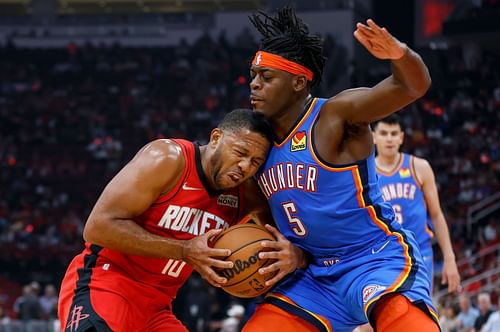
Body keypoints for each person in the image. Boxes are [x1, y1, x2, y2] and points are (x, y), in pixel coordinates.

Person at [244, 6, 439, 332]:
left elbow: (413, 87)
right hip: (312, 277)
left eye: (266, 77)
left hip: (373, 258)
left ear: (298, 82)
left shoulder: (335, 117)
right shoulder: (253, 143)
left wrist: (400, 55)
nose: (254, 85)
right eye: (253, 75)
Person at [58, 109, 306, 331]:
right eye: (240, 152)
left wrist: (292, 255)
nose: (244, 166)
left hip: (158, 307)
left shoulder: (247, 193)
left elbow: (284, 239)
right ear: (217, 138)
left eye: (255, 162)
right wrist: (185, 250)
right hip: (106, 284)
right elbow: (97, 227)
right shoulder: (168, 159)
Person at [372, 114, 461, 292]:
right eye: (383, 133)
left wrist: (449, 258)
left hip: (420, 253)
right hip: (384, 255)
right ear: (373, 137)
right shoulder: (366, 173)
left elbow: (436, 214)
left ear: (401, 137)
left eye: (393, 133)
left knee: (421, 311)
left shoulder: (419, 167)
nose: (389, 138)